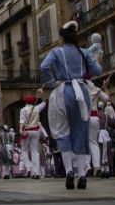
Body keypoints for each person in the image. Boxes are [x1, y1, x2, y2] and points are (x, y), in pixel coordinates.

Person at [41, 21, 102, 190]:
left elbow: (44, 66)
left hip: (63, 91)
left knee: (62, 132)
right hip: (82, 92)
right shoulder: (83, 52)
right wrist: (97, 61)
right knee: (81, 132)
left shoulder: (56, 52)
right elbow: (97, 71)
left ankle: (69, 171)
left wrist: (52, 82)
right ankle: (82, 174)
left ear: (61, 37)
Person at [19, 92, 46, 180]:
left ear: (26, 102)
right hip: (35, 131)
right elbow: (44, 103)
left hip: (26, 131)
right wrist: (42, 94)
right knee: (35, 152)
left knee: (24, 150)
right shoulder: (37, 108)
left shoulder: (23, 110)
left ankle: (29, 166)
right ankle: (36, 172)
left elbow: (22, 121)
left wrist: (20, 130)